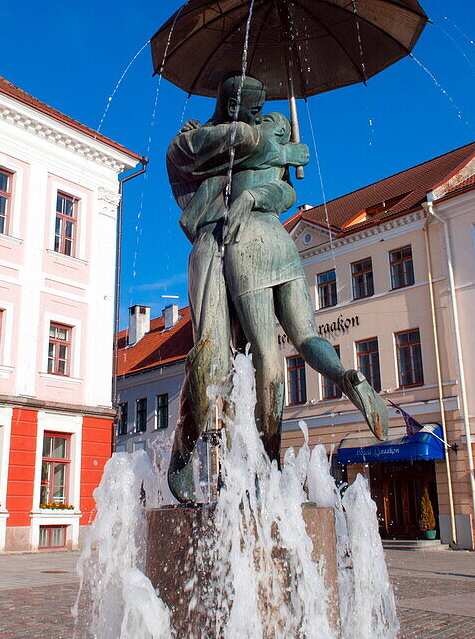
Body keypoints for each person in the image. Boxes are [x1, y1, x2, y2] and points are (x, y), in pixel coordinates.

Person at [165, 74, 388, 503]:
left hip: (244, 244)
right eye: (253, 107)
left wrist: (268, 175)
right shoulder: (195, 139)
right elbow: (239, 141)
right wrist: (284, 149)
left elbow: (277, 184)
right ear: (232, 106)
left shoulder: (271, 176)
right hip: (216, 240)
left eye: (265, 110)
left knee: (246, 357)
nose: (260, 116)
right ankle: (215, 454)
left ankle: (250, 462)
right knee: (228, 356)